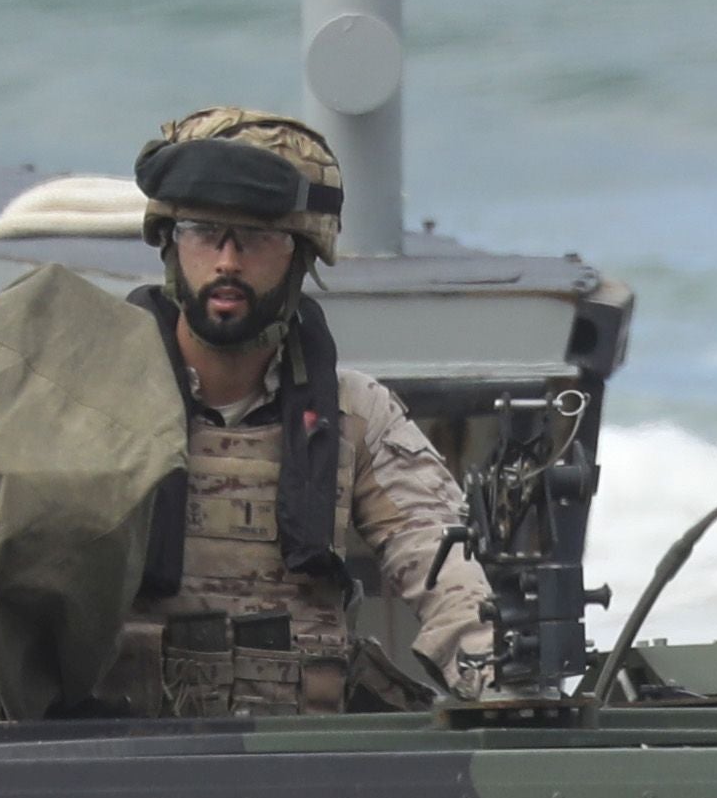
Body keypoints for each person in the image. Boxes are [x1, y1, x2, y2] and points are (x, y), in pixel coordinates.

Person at [95, 109, 496, 719]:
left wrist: (498, 683)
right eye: (204, 233)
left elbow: (443, 567)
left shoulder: (353, 414)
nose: (227, 262)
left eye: (255, 239)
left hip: (304, 770)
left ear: (299, 257)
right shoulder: (91, 399)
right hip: (125, 774)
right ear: (171, 247)